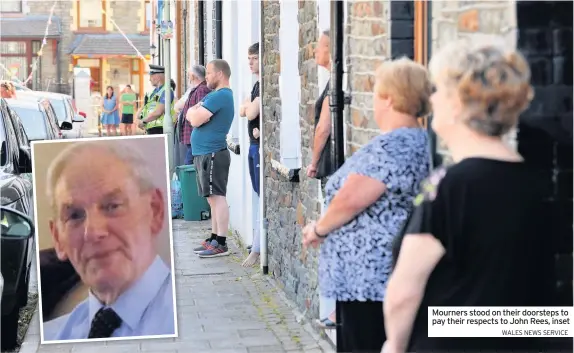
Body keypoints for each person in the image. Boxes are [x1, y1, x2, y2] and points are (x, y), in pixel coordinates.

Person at [383, 38, 556, 353]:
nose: (431, 100)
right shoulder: (539, 184)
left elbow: (403, 293)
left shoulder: (448, 187)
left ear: (458, 102)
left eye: (438, 90)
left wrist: (394, 345)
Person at [302, 57, 432, 352]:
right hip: (370, 279)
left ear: (388, 98)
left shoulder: (394, 146)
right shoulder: (411, 140)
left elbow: (351, 199)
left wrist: (318, 230)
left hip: (371, 281)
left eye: (376, 92)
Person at [42, 141, 175, 340]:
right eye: (75, 215)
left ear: (155, 210)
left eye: (112, 206)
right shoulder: (53, 336)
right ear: (58, 238)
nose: (93, 232)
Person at [187, 59, 234, 258]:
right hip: (205, 153)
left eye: (209, 73)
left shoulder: (221, 96)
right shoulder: (215, 96)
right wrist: (192, 111)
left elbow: (194, 118)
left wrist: (192, 111)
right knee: (211, 199)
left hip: (213, 152)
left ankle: (221, 243)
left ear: (220, 74)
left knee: (217, 197)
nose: (206, 77)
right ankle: (214, 238)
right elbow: (190, 112)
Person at [240, 42, 261, 267]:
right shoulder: (255, 86)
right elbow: (243, 109)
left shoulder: (263, 85)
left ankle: (256, 249)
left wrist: (249, 107)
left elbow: (252, 111)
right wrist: (248, 105)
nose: (250, 62)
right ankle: (256, 243)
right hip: (251, 144)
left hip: (258, 146)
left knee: (261, 194)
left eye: (254, 58)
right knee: (257, 192)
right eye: (249, 58)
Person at [175, 65, 211, 165]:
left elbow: (202, 115)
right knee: (190, 166)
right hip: (192, 138)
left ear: (193, 76)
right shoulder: (196, 89)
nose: (187, 77)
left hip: (196, 138)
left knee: (189, 166)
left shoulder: (201, 90)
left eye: (188, 75)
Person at [136, 65, 176, 135]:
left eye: (151, 76)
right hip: (151, 129)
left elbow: (158, 112)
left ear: (158, 77)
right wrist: (140, 118)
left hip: (160, 129)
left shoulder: (167, 91)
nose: (149, 79)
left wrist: (143, 121)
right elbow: (146, 109)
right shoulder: (153, 93)